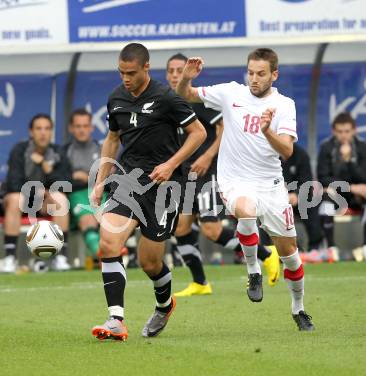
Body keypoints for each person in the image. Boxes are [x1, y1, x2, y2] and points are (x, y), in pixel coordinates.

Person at [177, 48, 315, 331]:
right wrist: (184, 80)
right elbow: (187, 95)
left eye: (261, 74)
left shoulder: (284, 104)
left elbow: (287, 150)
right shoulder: (231, 93)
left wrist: (267, 131)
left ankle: (298, 309)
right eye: (250, 72)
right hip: (235, 180)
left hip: (271, 185)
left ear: (274, 75)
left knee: (290, 256)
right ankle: (253, 271)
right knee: (245, 210)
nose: (254, 79)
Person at [90, 43, 206, 341]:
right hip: (128, 179)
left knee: (150, 262)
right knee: (109, 241)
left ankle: (164, 305)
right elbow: (113, 139)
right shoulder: (115, 97)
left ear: (146, 68)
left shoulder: (166, 97)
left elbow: (199, 134)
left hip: (164, 184)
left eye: (131, 72)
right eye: (121, 72)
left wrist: (171, 164)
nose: (126, 78)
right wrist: (102, 180)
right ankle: (116, 319)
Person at [166, 53, 280, 296]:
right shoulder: (169, 101)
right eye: (172, 71)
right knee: (182, 228)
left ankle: (266, 254)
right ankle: (200, 283)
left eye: (180, 69)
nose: (175, 74)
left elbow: (223, 127)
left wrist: (207, 156)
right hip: (187, 175)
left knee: (211, 230)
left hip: (208, 172)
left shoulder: (195, 101)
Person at [0, 113, 71, 273]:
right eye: (38, 128)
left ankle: (61, 257)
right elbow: (14, 183)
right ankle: (10, 258)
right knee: (15, 198)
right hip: (22, 200)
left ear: (51, 132)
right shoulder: (20, 150)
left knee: (61, 198)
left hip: (44, 203)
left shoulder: (58, 152)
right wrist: (37, 191)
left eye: (47, 128)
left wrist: (46, 167)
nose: (43, 132)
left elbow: (65, 183)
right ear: (31, 132)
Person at [317, 112, 366, 260]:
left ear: (354, 130)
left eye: (347, 131)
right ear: (333, 131)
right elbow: (323, 178)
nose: (343, 135)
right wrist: (350, 187)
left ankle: (364, 247)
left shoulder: (362, 147)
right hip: (337, 194)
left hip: (358, 196)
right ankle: (331, 248)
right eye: (339, 131)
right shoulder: (326, 148)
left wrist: (349, 161)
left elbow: (364, 177)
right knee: (325, 198)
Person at [64, 108, 105, 264]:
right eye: (78, 126)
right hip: (76, 195)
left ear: (92, 128)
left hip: (101, 193)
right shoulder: (65, 152)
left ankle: (104, 253)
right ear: (71, 128)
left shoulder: (102, 149)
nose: (82, 130)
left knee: (110, 220)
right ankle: (101, 253)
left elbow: (110, 174)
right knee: (88, 219)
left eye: (85, 126)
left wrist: (82, 175)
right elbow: (62, 179)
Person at [281, 143, 324, 255]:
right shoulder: (268, 155)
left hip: (299, 198)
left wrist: (296, 194)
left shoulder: (301, 154)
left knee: (311, 205)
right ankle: (270, 250)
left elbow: (307, 181)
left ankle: (315, 248)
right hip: (276, 199)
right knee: (266, 210)